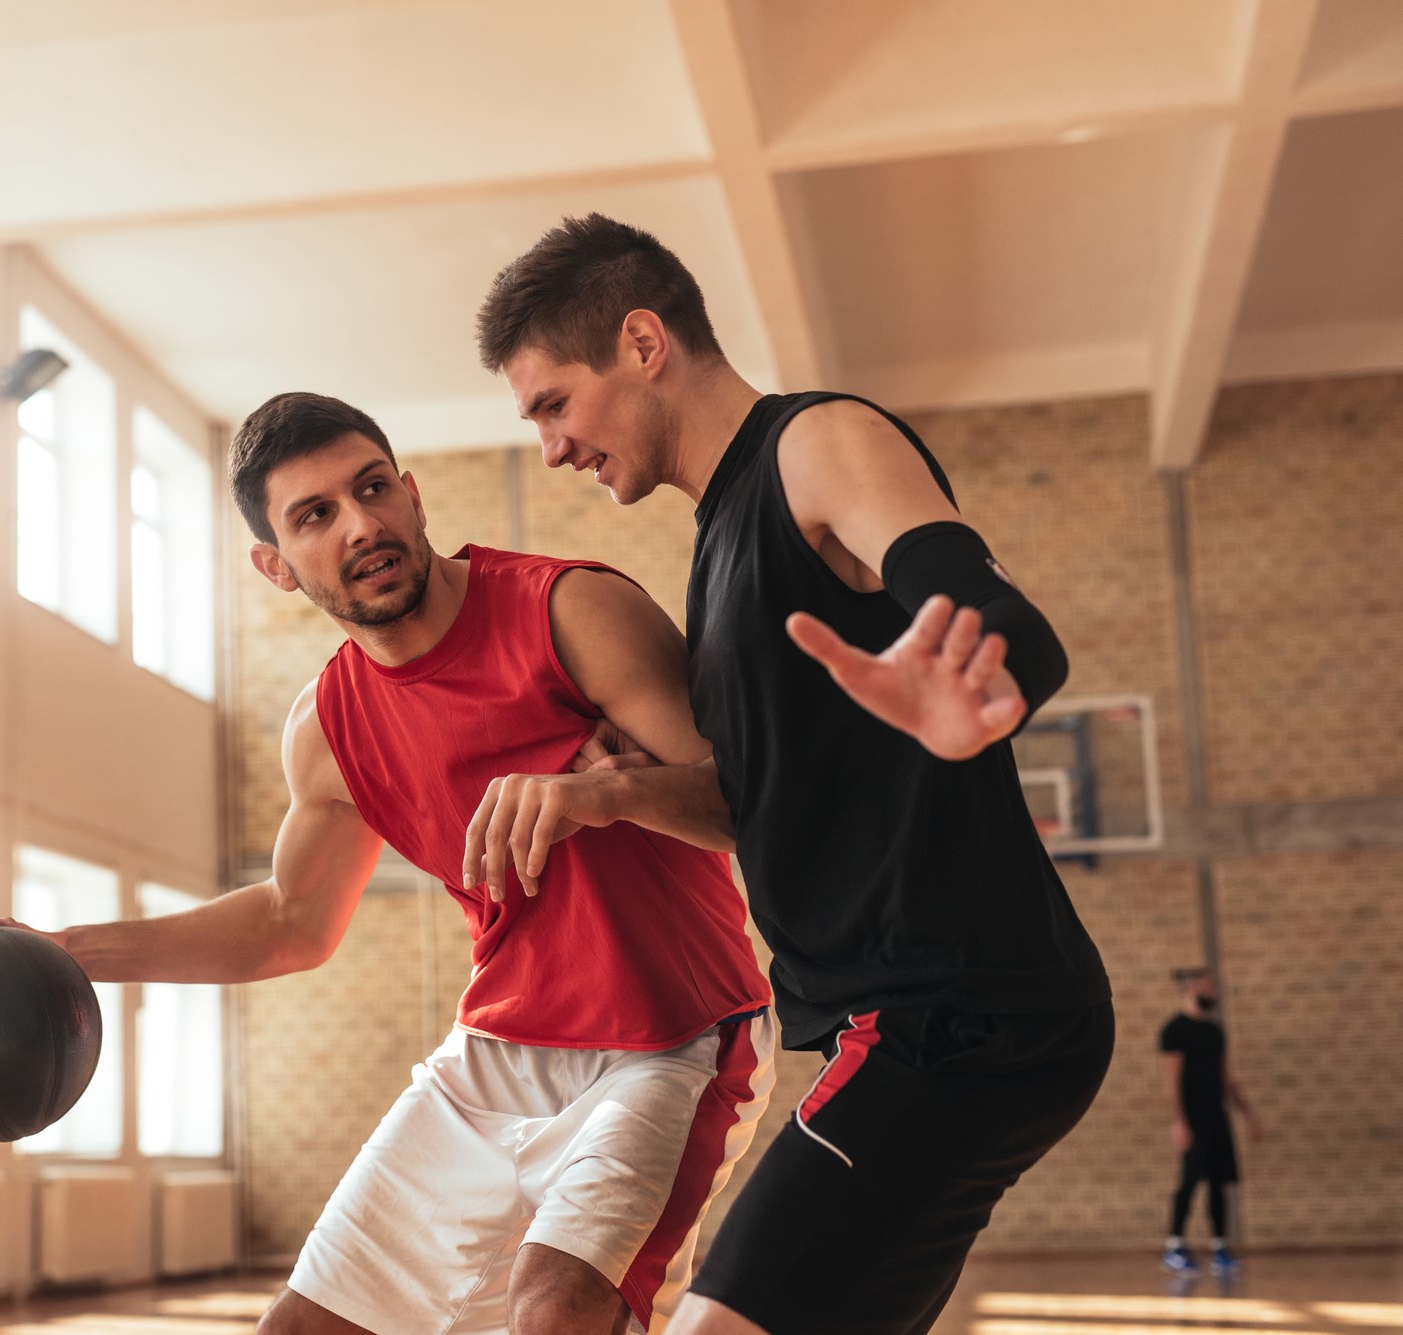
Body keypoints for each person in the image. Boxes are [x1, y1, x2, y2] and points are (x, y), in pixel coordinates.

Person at [0, 391, 775, 1335]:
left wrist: (605, 796)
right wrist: (68, 951)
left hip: (672, 1036)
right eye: (315, 514)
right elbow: (291, 922)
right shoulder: (327, 728)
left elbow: (754, 808)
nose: (361, 524)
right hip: (498, 1053)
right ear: (276, 565)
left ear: (413, 496)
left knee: (555, 1310)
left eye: (372, 488)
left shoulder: (570, 609)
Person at [465, 214, 1115, 1335]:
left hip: (953, 1016)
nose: (552, 450)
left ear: (640, 341)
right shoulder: (717, 549)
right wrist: (609, 796)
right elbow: (749, 811)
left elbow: (1002, 619)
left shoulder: (814, 445)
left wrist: (976, 687)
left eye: (552, 406)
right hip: (919, 1018)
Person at [1160, 968, 1259, 1278]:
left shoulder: (1215, 1031)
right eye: (1207, 987)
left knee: (1220, 1180)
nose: (1212, 993)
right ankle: (1175, 1245)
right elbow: (1172, 1082)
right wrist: (1180, 1122)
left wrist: (1246, 1114)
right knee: (1189, 1180)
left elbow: (1225, 1077)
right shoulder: (1174, 1031)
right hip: (1192, 1116)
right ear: (1190, 989)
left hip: (1217, 1115)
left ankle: (1219, 1246)